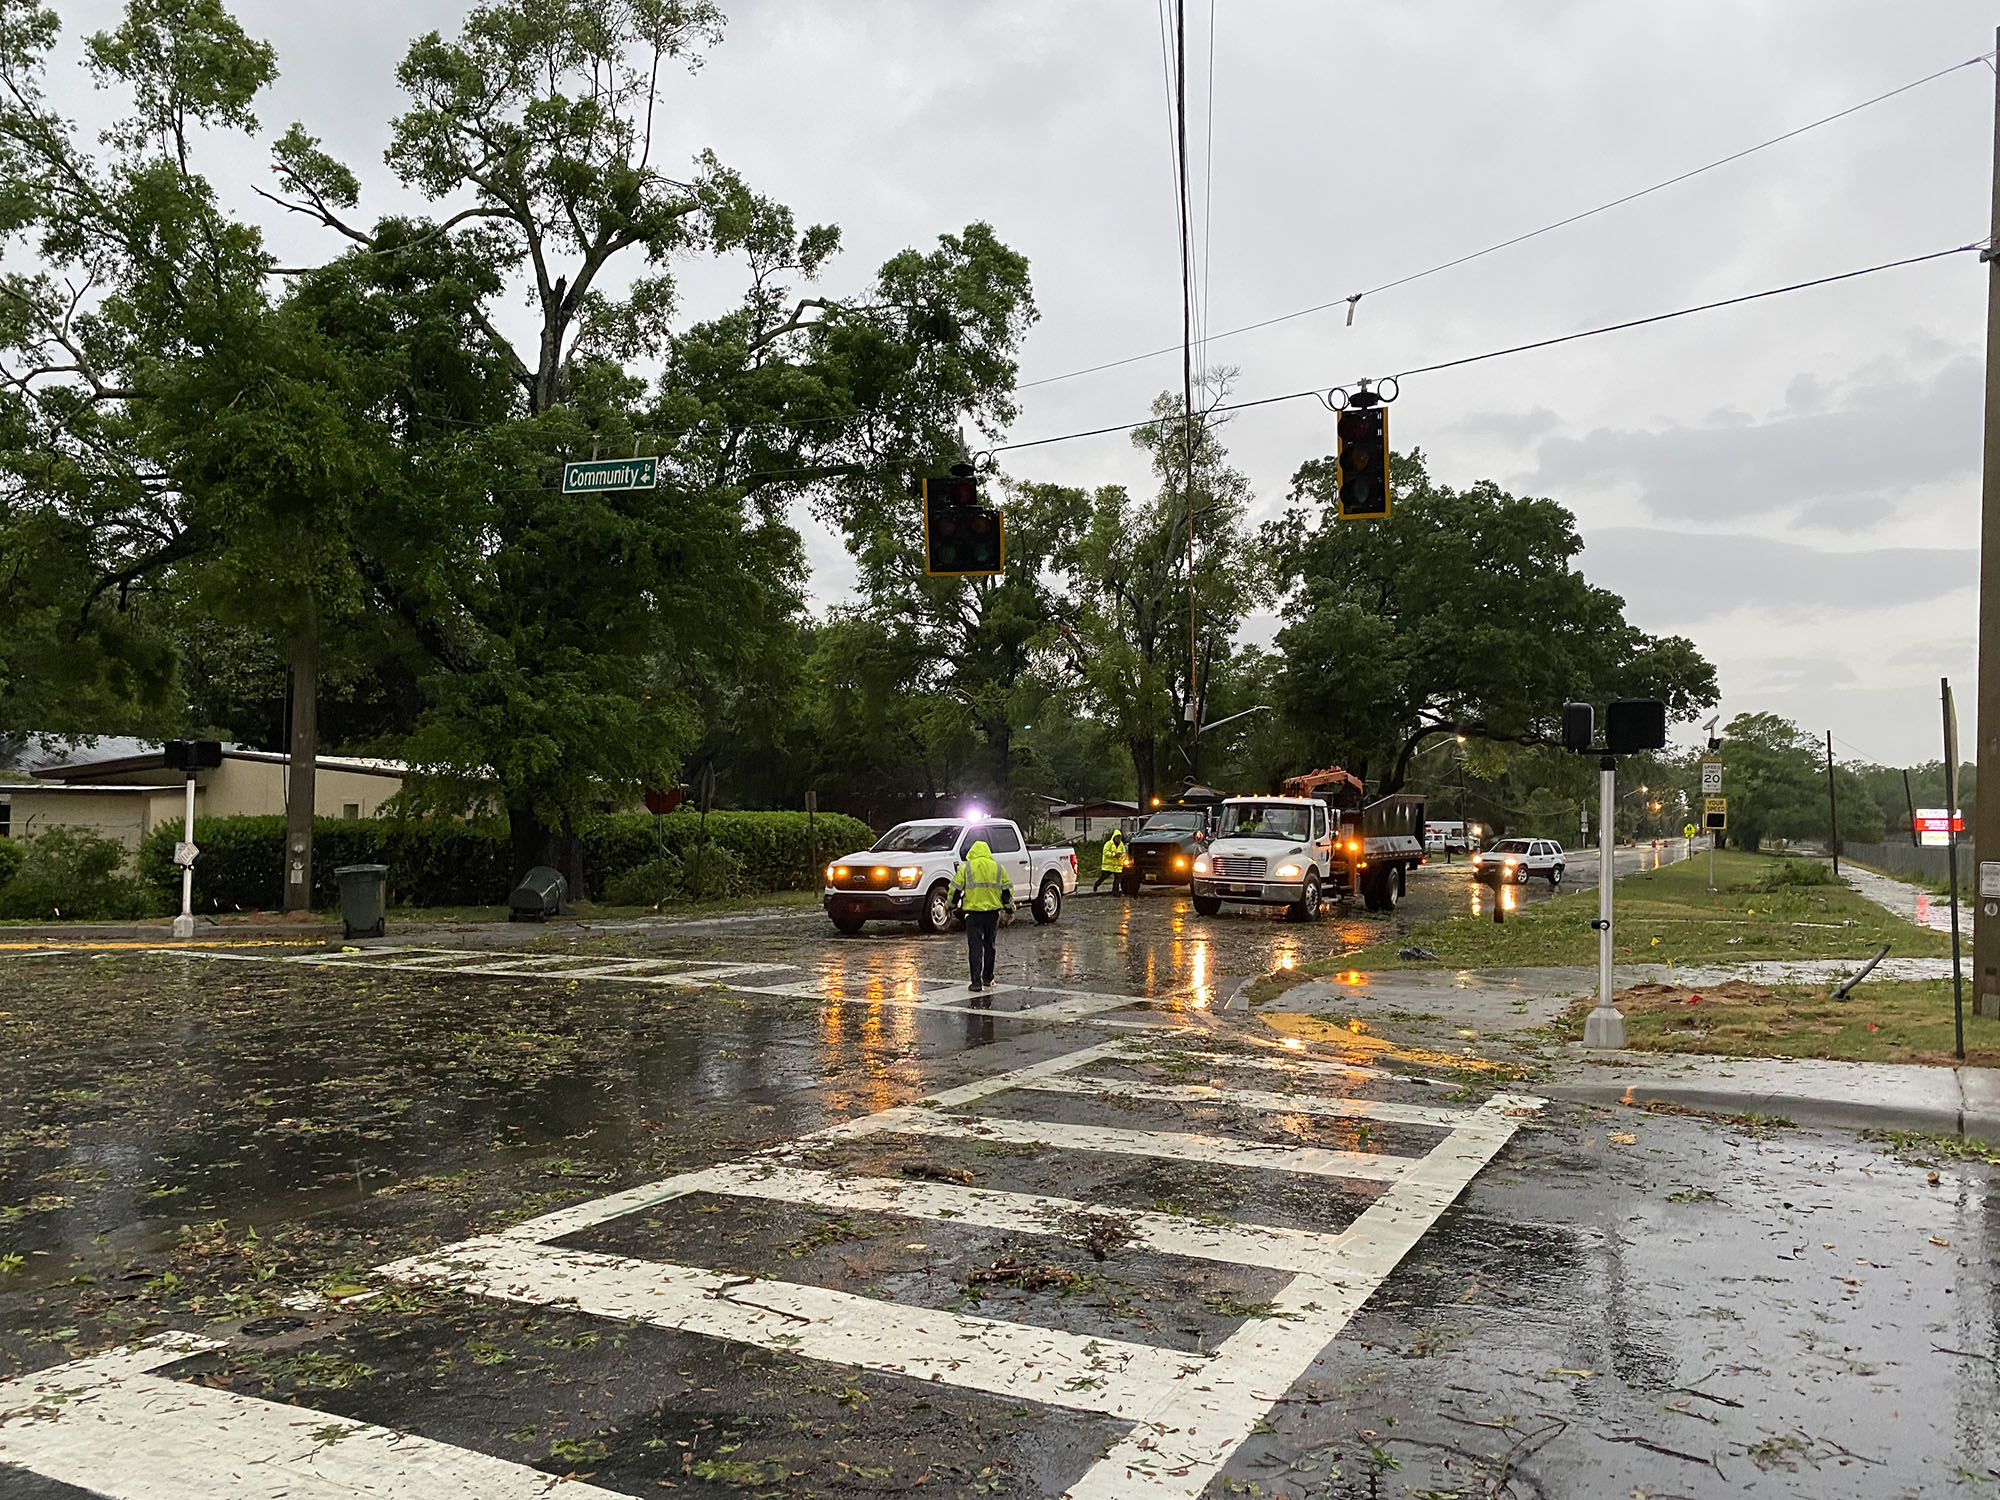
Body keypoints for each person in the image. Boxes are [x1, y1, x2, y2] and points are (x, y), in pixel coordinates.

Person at [950, 837, 1014, 992]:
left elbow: (955, 890)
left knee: (975, 947)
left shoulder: (966, 868)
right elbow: (1007, 892)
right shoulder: (998, 868)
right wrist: (1009, 910)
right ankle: (988, 977)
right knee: (990, 946)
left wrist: (950, 906)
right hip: (992, 914)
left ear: (972, 852)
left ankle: (976, 982)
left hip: (973, 915)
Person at [1094, 827, 1127, 892]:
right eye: (1117, 837)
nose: (1118, 839)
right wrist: (1114, 855)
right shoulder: (1108, 844)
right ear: (1114, 837)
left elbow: (1124, 853)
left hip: (1117, 866)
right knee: (1103, 878)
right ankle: (1096, 884)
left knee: (1117, 880)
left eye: (1120, 837)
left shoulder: (1121, 844)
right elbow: (1105, 852)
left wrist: (1121, 856)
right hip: (1108, 866)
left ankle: (1115, 892)